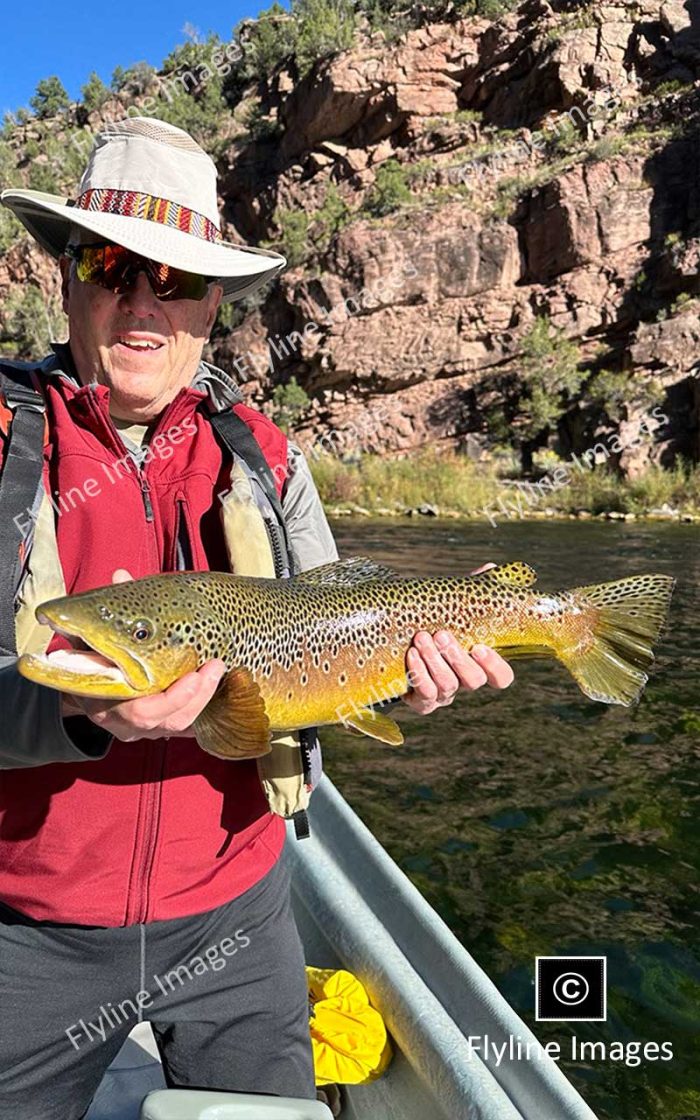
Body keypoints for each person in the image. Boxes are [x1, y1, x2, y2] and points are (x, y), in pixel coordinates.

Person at [0, 117, 514, 1120]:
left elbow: (334, 670)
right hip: (28, 927)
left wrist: (412, 687)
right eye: (112, 265)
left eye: (178, 280)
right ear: (63, 273)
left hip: (239, 915)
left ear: (215, 304)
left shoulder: (269, 463)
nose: (143, 307)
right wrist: (70, 717)